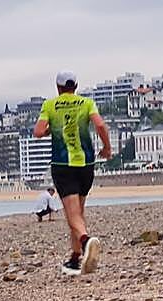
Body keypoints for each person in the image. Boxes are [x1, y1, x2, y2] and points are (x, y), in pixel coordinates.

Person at [33, 71, 112, 275]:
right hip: (86, 163)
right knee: (78, 213)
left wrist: (53, 129)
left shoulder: (50, 105)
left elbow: (38, 132)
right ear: (75, 86)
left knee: (72, 215)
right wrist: (107, 148)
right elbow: (101, 125)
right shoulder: (86, 103)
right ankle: (76, 258)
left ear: (58, 88)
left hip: (63, 164)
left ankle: (86, 243)